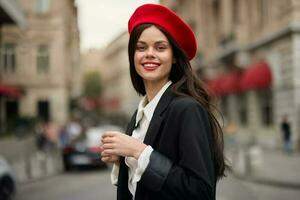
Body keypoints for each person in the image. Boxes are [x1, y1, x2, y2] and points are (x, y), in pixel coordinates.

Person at [100, 4, 227, 200]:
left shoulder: (188, 109)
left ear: (175, 57)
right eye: (141, 47)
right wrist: (124, 161)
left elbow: (201, 192)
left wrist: (138, 151)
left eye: (160, 47)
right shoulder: (138, 115)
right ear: (133, 55)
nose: (149, 54)